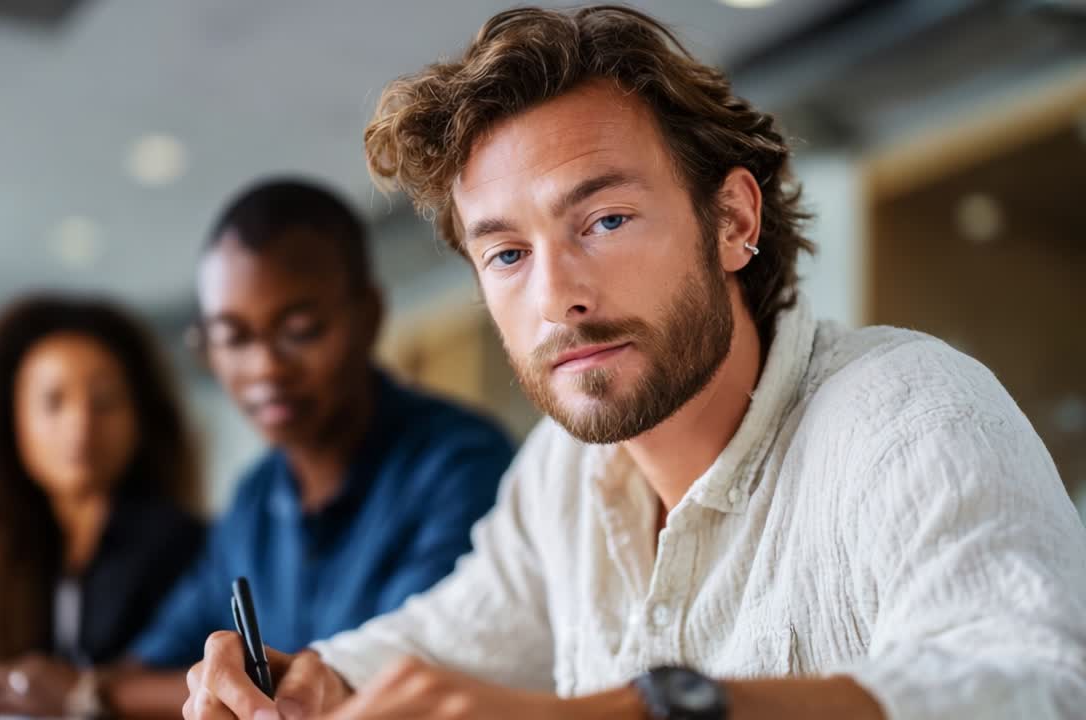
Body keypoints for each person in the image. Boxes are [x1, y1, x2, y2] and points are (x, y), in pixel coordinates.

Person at [184, 6, 1086, 720]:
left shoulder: (909, 412)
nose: (557, 298)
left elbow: (1037, 688)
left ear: (733, 221)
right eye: (507, 255)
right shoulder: (561, 474)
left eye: (604, 221)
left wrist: (639, 710)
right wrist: (309, 678)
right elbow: (449, 636)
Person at [0, 179, 515, 718]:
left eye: (299, 330)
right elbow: (156, 657)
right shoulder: (254, 502)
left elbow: (402, 682)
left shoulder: (461, 468)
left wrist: (91, 694)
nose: (265, 368)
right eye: (233, 338)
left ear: (367, 316)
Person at [0, 294, 206, 703]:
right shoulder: (3, 545)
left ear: (141, 417)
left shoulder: (185, 543)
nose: (80, 425)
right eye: (53, 402)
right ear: (11, 420)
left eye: (104, 401)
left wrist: (86, 694)